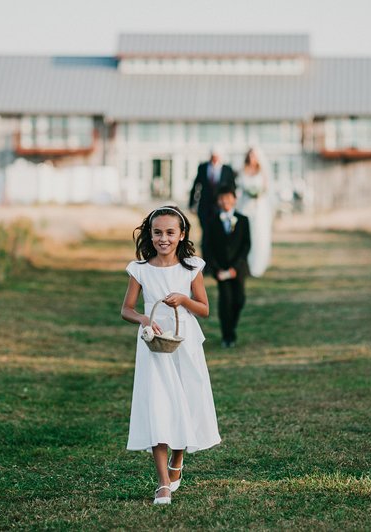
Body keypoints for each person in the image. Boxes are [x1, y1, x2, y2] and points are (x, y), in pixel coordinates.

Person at [121, 205, 221, 505]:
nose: (163, 238)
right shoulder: (140, 270)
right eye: (157, 233)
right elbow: (126, 309)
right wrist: (143, 319)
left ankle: (178, 459)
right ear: (149, 235)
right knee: (159, 405)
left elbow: (203, 309)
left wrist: (184, 300)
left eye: (169, 233)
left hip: (184, 342)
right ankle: (163, 482)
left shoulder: (191, 268)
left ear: (182, 235)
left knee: (186, 402)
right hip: (154, 345)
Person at [204, 186, 251, 348]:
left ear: (234, 200)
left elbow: (246, 246)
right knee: (225, 301)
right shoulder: (212, 221)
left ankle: (232, 327)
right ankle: (227, 336)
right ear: (218, 201)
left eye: (228, 198)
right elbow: (207, 247)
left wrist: (235, 268)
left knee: (239, 300)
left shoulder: (243, 220)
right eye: (222, 199)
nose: (225, 202)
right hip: (221, 270)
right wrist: (217, 268)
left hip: (238, 269)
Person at [188, 147, 236, 266]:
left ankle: (218, 262)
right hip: (204, 208)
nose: (214, 159)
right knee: (206, 236)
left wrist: (231, 205)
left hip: (221, 208)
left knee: (219, 235)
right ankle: (206, 264)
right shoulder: (203, 167)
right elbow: (196, 186)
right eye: (212, 156)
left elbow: (232, 189)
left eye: (216, 156)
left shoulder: (227, 170)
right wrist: (192, 204)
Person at [236, 147, 273, 277]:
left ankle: (257, 265)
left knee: (258, 234)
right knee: (245, 234)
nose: (252, 158)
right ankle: (244, 264)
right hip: (245, 206)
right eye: (250, 155)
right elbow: (239, 187)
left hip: (258, 207)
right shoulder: (242, 171)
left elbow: (266, 188)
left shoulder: (262, 172)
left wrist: (258, 193)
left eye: (254, 156)